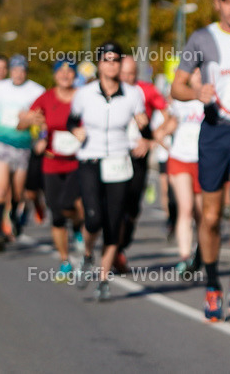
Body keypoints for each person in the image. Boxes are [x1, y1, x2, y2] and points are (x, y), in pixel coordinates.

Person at [171, 0, 230, 321]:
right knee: (209, 217)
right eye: (229, 1)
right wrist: (197, 94)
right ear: (218, 4)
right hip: (214, 133)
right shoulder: (202, 39)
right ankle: (212, 284)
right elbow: (177, 86)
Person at [69, 42, 151, 300]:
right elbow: (71, 120)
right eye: (107, 59)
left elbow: (145, 130)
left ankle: (103, 279)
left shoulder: (133, 94)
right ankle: (86, 255)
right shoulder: (84, 93)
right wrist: (75, 130)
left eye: (116, 59)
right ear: (99, 63)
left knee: (114, 223)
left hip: (118, 160)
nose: (112, 64)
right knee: (93, 218)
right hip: (91, 159)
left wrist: (145, 134)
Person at [21, 60, 84, 278]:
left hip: (78, 161)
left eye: (70, 72)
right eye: (61, 72)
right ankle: (65, 260)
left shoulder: (83, 96)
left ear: (75, 75)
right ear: (55, 75)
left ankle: (78, 226)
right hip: (51, 161)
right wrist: (30, 120)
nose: (66, 75)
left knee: (74, 204)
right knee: (56, 214)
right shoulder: (46, 97)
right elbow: (22, 122)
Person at [117, 54, 175, 272]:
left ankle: (120, 247)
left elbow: (169, 115)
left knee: (132, 206)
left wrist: (151, 139)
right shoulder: (105, 90)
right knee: (113, 204)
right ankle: (113, 248)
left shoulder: (147, 90)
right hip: (113, 153)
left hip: (137, 154)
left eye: (132, 74)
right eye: (123, 74)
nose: (128, 78)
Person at [0, 55, 45, 251]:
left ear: (26, 71)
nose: (18, 73)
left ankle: (16, 215)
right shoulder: (0, 88)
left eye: (22, 70)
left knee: (18, 192)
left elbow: (43, 117)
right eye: (15, 69)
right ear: (10, 71)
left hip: (24, 146)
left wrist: (41, 136)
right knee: (0, 190)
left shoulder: (36, 91)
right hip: (2, 143)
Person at [166, 70, 205, 274]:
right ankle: (184, 257)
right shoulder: (180, 99)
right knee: (186, 208)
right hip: (180, 158)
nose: (198, 74)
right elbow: (170, 124)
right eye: (194, 71)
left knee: (202, 214)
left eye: (202, 70)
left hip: (203, 161)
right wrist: (153, 136)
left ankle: (200, 251)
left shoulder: (211, 97)